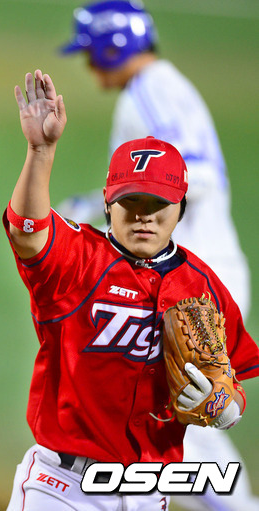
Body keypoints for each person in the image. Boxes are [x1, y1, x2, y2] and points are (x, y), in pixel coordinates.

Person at [3, 69, 259, 511]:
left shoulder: (201, 286)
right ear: (108, 203)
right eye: (130, 202)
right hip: (62, 485)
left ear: (181, 207)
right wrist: (40, 151)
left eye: (157, 204)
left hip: (149, 491)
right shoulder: (77, 258)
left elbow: (231, 381)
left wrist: (225, 407)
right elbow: (27, 231)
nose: (143, 216)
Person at [57, 2, 257, 509]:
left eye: (92, 53)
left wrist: (114, 211)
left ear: (112, 48)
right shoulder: (157, 86)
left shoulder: (149, 92)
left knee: (187, 416)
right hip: (189, 278)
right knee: (174, 412)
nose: (89, 66)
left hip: (191, 289)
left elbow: (198, 175)